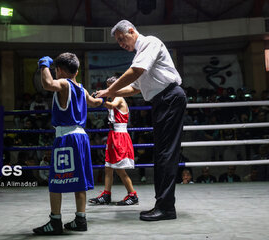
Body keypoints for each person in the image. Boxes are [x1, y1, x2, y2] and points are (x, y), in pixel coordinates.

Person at [95, 20, 187, 221]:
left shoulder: (150, 43)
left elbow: (135, 72)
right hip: (162, 101)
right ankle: (162, 204)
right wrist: (107, 93)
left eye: (122, 38)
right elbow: (135, 88)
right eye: (118, 42)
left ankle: (166, 208)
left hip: (170, 97)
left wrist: (110, 90)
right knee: (161, 153)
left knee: (166, 153)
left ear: (131, 31)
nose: (121, 44)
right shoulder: (140, 56)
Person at [33, 53, 103, 235]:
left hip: (66, 138)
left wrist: (43, 65)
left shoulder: (64, 84)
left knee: (55, 181)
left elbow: (47, 84)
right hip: (81, 138)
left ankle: (55, 221)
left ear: (60, 71)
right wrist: (105, 97)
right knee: (78, 181)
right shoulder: (81, 88)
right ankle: (81, 219)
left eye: (56, 70)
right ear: (77, 71)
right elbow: (95, 103)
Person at [89, 76, 138, 206]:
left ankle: (132, 195)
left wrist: (99, 100)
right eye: (108, 86)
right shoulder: (112, 97)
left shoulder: (119, 98)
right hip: (112, 135)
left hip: (120, 136)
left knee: (119, 169)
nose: (110, 88)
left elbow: (111, 105)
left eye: (112, 86)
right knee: (108, 167)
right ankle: (106, 194)